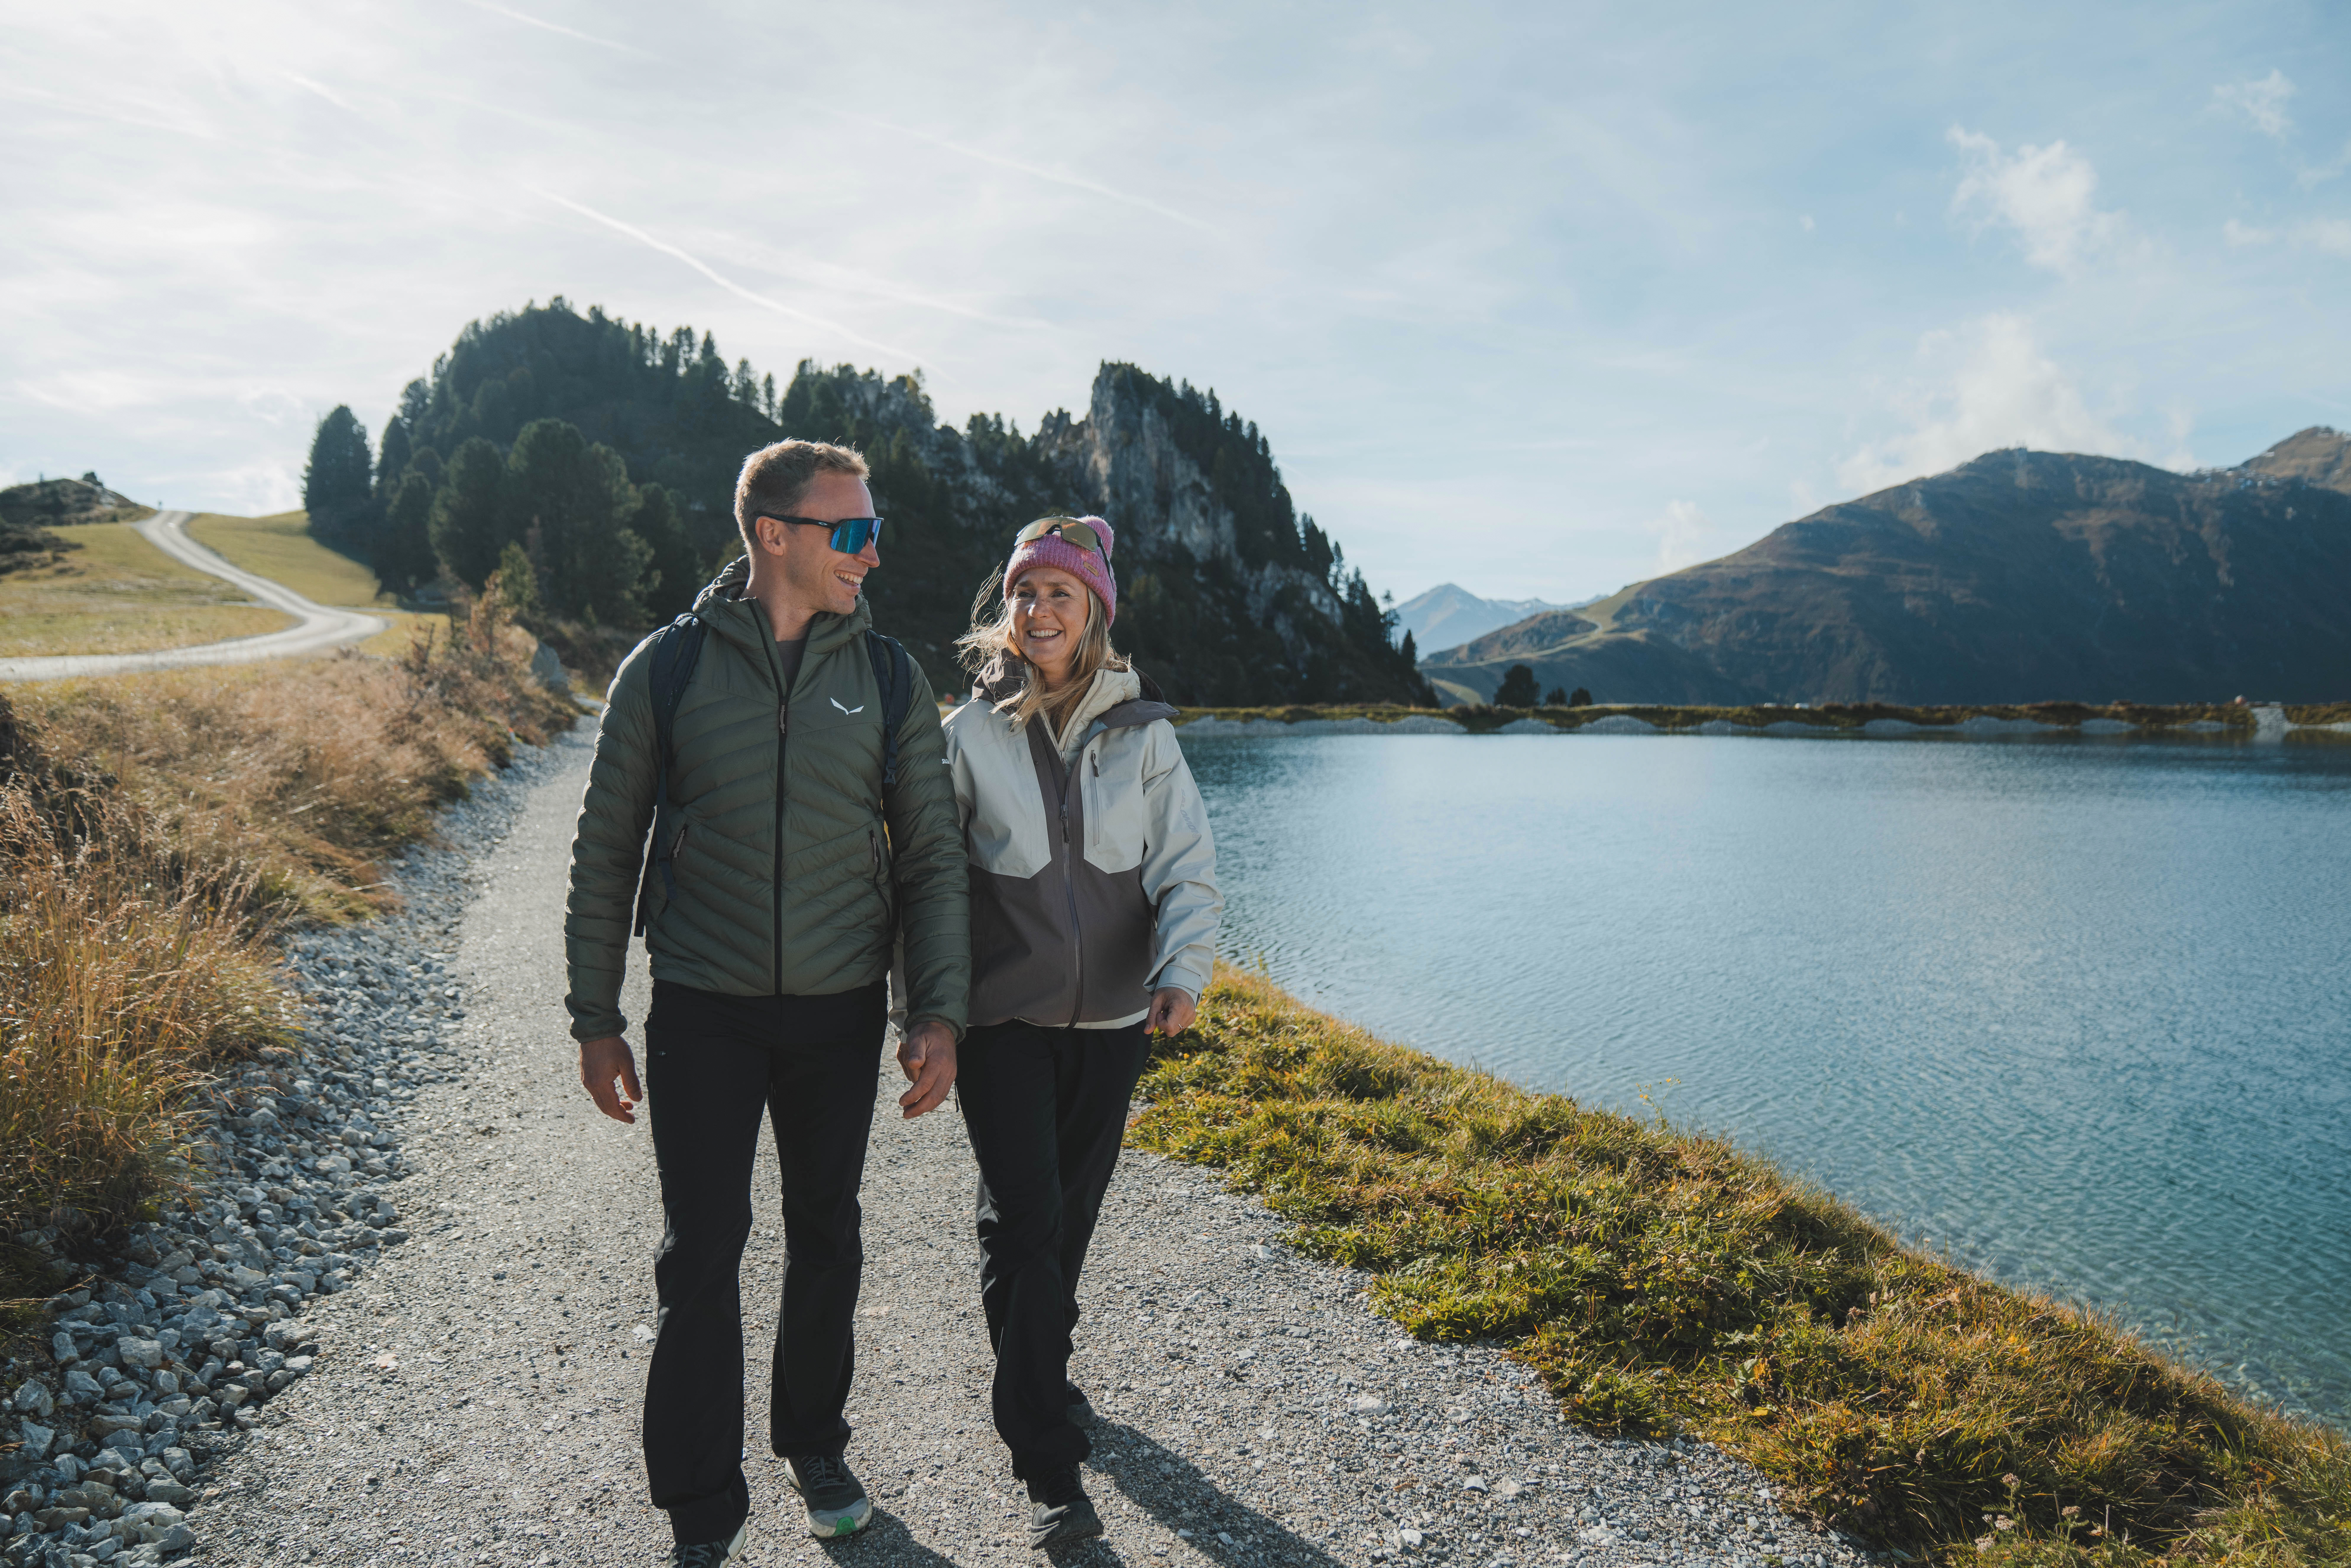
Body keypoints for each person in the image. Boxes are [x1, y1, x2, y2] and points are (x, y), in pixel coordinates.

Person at [563, 440, 969, 1567]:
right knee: (703, 1249)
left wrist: (935, 1013)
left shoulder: (887, 676)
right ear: (774, 534)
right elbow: (607, 850)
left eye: (873, 530)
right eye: (852, 533)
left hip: (839, 1009)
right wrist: (594, 1016)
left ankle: (815, 1440)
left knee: (828, 1235)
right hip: (703, 1004)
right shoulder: (668, 669)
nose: (873, 553)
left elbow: (932, 857)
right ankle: (702, 1505)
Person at [942, 514, 1222, 1547]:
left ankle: (1038, 1371)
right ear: (1007, 611)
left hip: (1112, 1021)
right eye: (1024, 593)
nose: (1039, 610)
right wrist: (929, 1006)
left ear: (1095, 610)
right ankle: (1048, 1461)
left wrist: (1182, 973)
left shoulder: (1144, 733)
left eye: (1060, 593)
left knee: (1063, 1225)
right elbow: (934, 882)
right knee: (1025, 1219)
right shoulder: (969, 733)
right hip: (1001, 1018)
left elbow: (1184, 866)